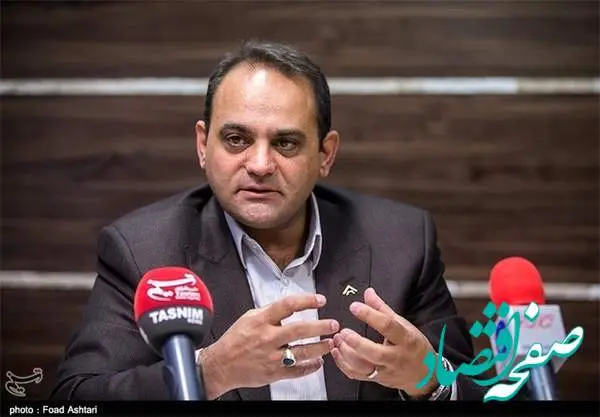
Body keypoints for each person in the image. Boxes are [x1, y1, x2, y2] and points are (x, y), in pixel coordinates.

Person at [50, 40, 484, 401]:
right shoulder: (142, 250)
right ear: (203, 145)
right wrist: (209, 373)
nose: (259, 165)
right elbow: (74, 398)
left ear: (326, 154)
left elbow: (479, 388)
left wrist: (429, 382)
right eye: (236, 139)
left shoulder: (401, 242)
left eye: (286, 143)